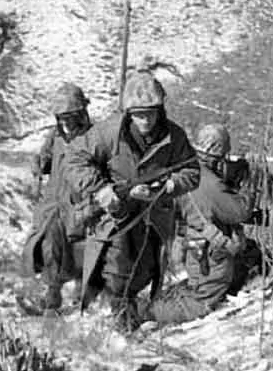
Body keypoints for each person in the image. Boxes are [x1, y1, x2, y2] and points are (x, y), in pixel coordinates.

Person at [65, 70, 200, 330]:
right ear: (129, 113)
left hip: (154, 218)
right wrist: (102, 189)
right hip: (116, 215)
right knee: (116, 270)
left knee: (145, 272)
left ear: (160, 110)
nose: (145, 120)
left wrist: (169, 186)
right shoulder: (108, 133)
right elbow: (75, 159)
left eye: (150, 113)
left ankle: (126, 315)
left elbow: (192, 171)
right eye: (138, 114)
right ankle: (117, 328)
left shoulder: (175, 136)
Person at [147, 124, 263, 325]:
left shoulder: (190, 171)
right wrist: (248, 187)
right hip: (210, 254)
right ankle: (143, 314)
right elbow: (239, 212)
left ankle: (159, 301)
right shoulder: (208, 182)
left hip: (198, 246)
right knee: (201, 302)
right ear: (217, 156)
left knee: (250, 254)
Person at [18, 83, 94, 314]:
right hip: (53, 203)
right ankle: (49, 295)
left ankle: (60, 299)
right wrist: (39, 163)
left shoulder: (95, 136)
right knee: (42, 246)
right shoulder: (56, 136)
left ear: (82, 113)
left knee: (65, 247)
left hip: (79, 203)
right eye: (62, 118)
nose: (67, 123)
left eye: (71, 117)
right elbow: (45, 157)